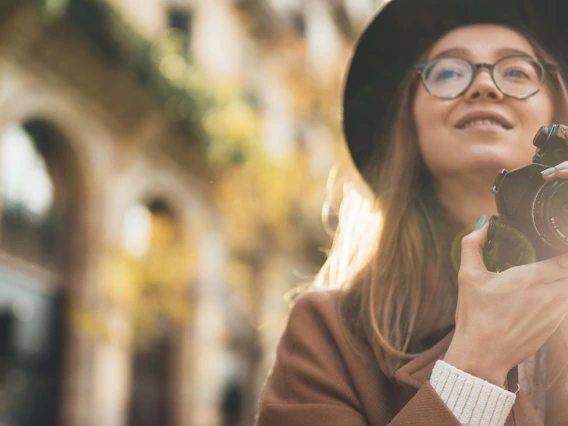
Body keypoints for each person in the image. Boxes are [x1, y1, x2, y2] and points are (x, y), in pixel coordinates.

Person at [255, 0, 568, 424]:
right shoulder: (330, 333)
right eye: (449, 72)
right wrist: (474, 370)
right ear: (411, 121)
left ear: (555, 111)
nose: (483, 87)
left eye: (516, 71)